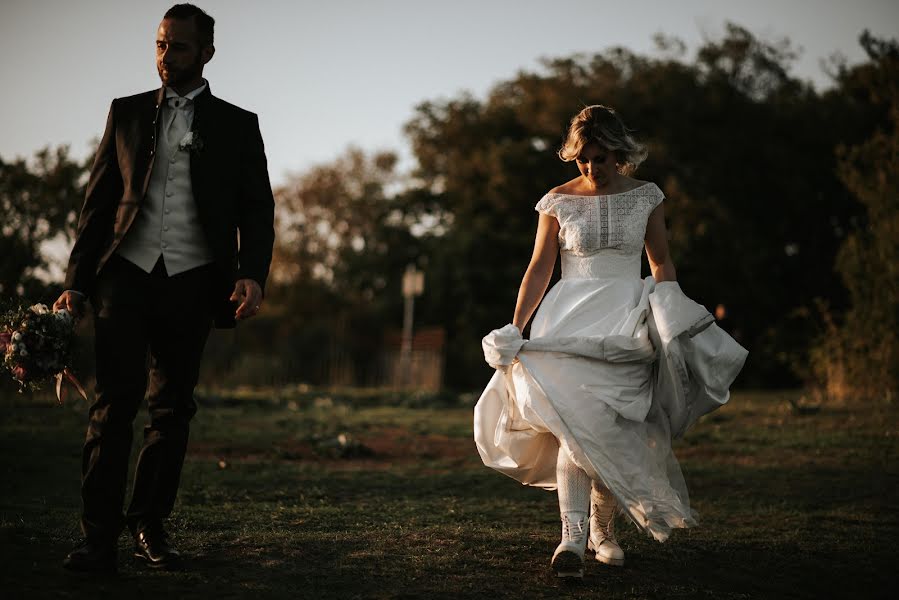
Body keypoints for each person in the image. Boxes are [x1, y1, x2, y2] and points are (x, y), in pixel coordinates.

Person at [473, 105, 747, 578]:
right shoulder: (556, 201)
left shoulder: (647, 197)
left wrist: (670, 312)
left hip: (624, 319)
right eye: (582, 159)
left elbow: (660, 263)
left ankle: (604, 531)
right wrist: (517, 326)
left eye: (599, 158)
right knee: (573, 424)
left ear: (618, 154)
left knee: (615, 425)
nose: (590, 168)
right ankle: (571, 540)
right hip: (566, 322)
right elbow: (539, 267)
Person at [53, 3, 275, 572]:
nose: (165, 56)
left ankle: (149, 525)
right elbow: (98, 205)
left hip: (194, 283)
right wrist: (76, 283)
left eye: (178, 46)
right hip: (123, 279)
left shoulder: (237, 123)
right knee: (110, 407)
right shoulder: (124, 114)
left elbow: (257, 207)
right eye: (159, 44)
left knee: (172, 410)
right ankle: (97, 537)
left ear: (206, 52)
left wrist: (252, 272)